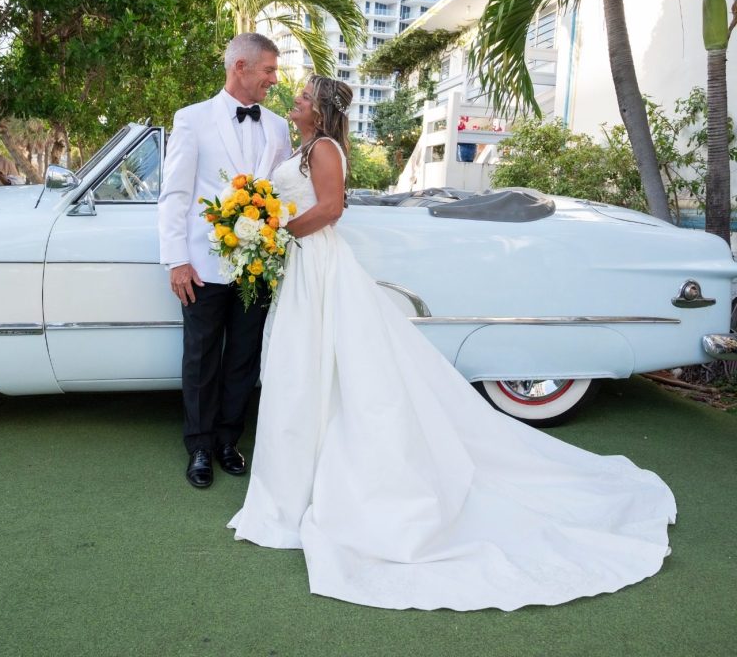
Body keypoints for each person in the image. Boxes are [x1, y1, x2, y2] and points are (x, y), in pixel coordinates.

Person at [228, 75, 676, 611]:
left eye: (301, 98)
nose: (292, 102)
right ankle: (295, 479)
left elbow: (330, 209)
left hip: (318, 264)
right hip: (305, 267)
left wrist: (275, 232)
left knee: (320, 368)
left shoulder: (323, 149)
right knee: (303, 369)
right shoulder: (303, 146)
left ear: (319, 113)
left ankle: (320, 484)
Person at [158, 33, 291, 488]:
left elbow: (281, 192)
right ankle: (198, 446)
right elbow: (175, 192)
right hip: (201, 265)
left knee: (243, 356)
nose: (274, 79)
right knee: (200, 357)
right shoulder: (191, 120)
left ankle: (228, 440)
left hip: (258, 266)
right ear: (241, 67)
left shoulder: (277, 127)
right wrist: (177, 259)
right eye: (268, 70)